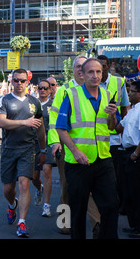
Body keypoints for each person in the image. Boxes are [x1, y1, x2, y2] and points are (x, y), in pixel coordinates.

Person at [56, 58, 120, 239]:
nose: (95, 75)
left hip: (103, 159)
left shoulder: (107, 95)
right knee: (78, 210)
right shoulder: (71, 95)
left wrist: (113, 116)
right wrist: (76, 152)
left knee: (110, 205)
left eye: (98, 72)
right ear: (82, 75)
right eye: (91, 72)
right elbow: (60, 128)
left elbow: (111, 127)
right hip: (78, 163)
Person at [0, 68, 46, 237]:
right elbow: (1, 122)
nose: (19, 83)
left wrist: (43, 149)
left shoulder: (34, 102)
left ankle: (22, 222)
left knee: (24, 184)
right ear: (11, 81)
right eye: (16, 80)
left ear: (27, 82)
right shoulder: (3, 100)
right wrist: (25, 122)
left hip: (28, 149)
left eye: (22, 80)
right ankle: (12, 205)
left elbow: (40, 128)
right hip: (9, 148)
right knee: (8, 188)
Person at [48, 55, 86, 235]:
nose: (81, 70)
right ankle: (64, 221)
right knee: (66, 186)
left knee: (92, 189)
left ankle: (96, 223)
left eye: (83, 66)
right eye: (78, 66)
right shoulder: (65, 90)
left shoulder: (95, 90)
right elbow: (54, 118)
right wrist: (55, 142)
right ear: (73, 70)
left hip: (90, 149)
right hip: (67, 148)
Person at [97, 54, 130, 215]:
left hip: (114, 138)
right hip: (95, 139)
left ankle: (114, 205)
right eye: (98, 66)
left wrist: (124, 131)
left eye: (103, 66)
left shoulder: (118, 82)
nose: (100, 70)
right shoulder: (91, 83)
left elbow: (125, 109)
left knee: (114, 175)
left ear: (109, 66)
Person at [117, 80, 140, 238]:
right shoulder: (132, 111)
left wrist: (135, 154)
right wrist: (112, 114)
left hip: (135, 155)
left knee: (137, 192)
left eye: (132, 91)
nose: (129, 94)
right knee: (129, 192)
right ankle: (134, 225)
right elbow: (119, 127)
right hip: (127, 153)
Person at [31, 79, 56, 217]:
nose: (43, 90)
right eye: (40, 88)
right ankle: (39, 189)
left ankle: (46, 205)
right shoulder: (31, 103)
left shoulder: (53, 105)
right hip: (33, 141)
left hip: (48, 140)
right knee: (34, 176)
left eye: (45, 88)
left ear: (50, 90)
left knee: (46, 170)